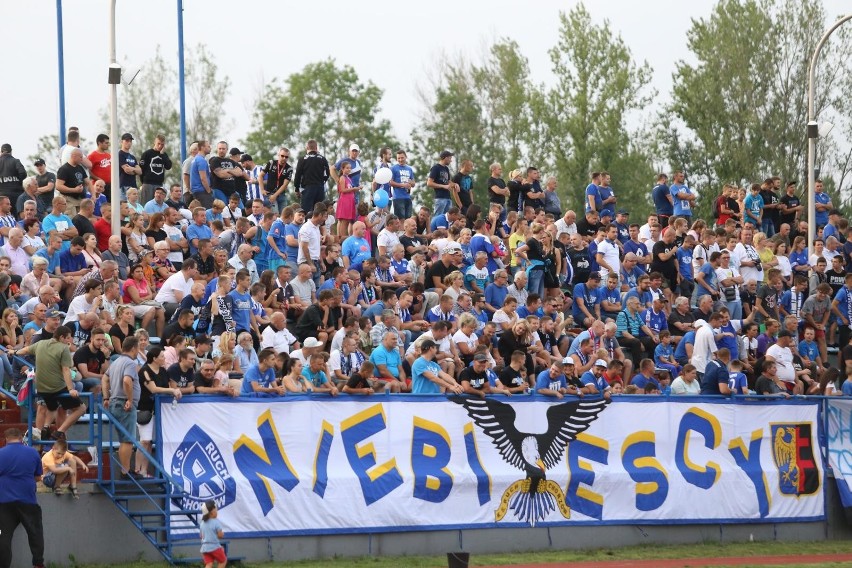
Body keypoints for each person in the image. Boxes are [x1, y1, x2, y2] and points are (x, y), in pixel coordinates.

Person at [0, 427, 45, 568]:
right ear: (21, 438)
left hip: (4, 501)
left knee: (4, 537)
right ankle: (38, 563)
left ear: (6, 439)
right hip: (28, 500)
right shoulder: (33, 453)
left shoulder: (0, 453)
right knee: (35, 532)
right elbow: (38, 476)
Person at [101, 337, 142, 479]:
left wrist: (106, 397)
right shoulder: (130, 362)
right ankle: (125, 471)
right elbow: (126, 380)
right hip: (124, 404)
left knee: (125, 439)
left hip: (114, 402)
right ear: (133, 348)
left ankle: (125, 470)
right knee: (128, 439)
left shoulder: (116, 361)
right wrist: (130, 399)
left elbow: (104, 378)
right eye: (138, 349)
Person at [200, 500, 227, 568]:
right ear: (211, 512)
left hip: (204, 548)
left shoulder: (202, 523)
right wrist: (221, 534)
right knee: (223, 561)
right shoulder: (216, 522)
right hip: (214, 547)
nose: (217, 511)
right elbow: (220, 535)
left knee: (209, 564)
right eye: (216, 509)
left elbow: (201, 536)